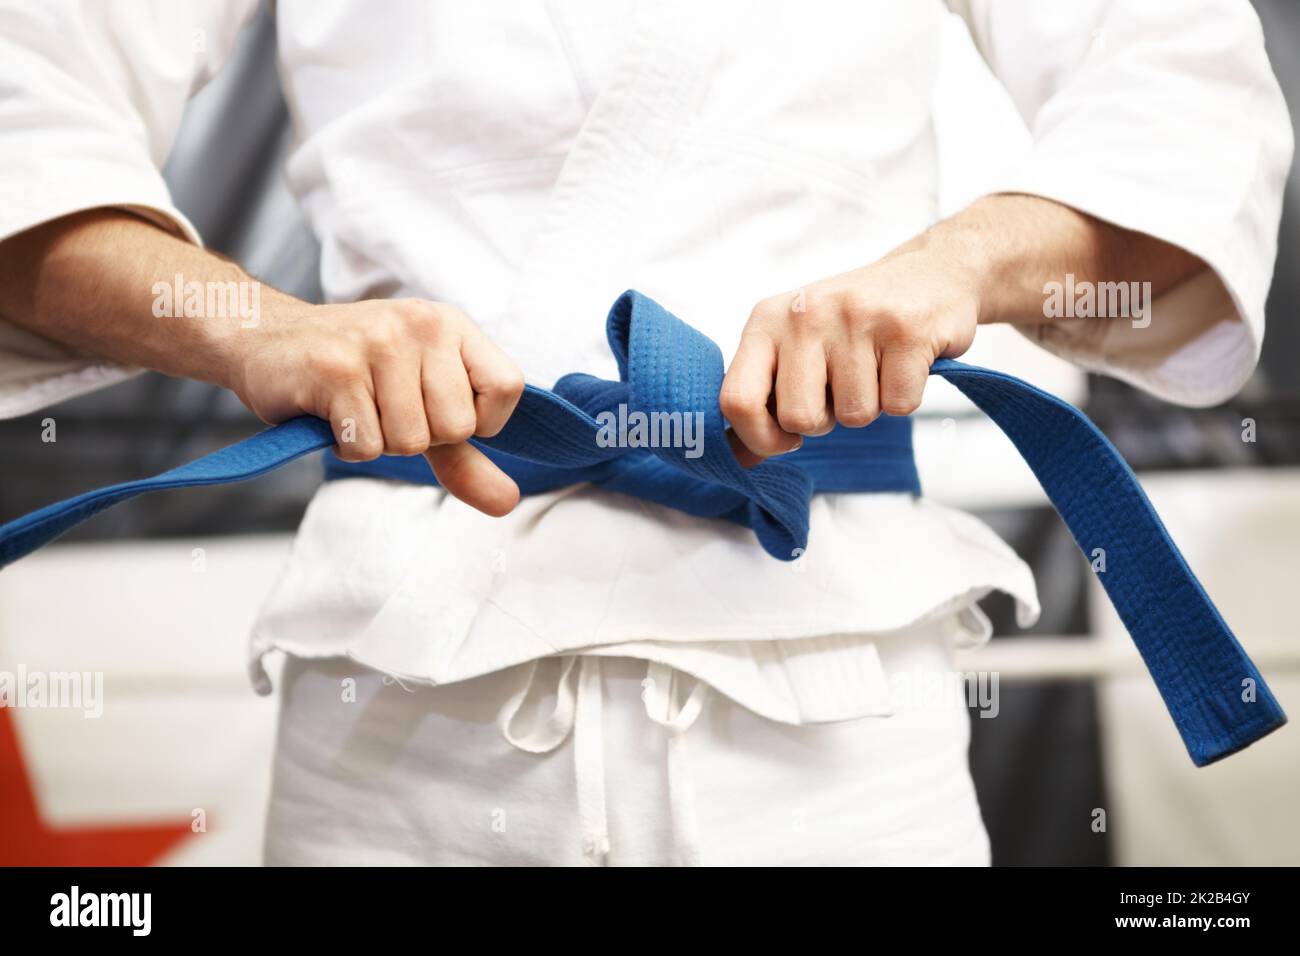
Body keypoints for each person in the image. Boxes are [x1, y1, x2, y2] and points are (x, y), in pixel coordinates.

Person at [0, 0, 1289, 865]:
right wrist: (254, 326)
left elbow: (1179, 101)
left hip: (836, 710)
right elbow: (25, 104)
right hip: (399, 703)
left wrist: (952, 269)